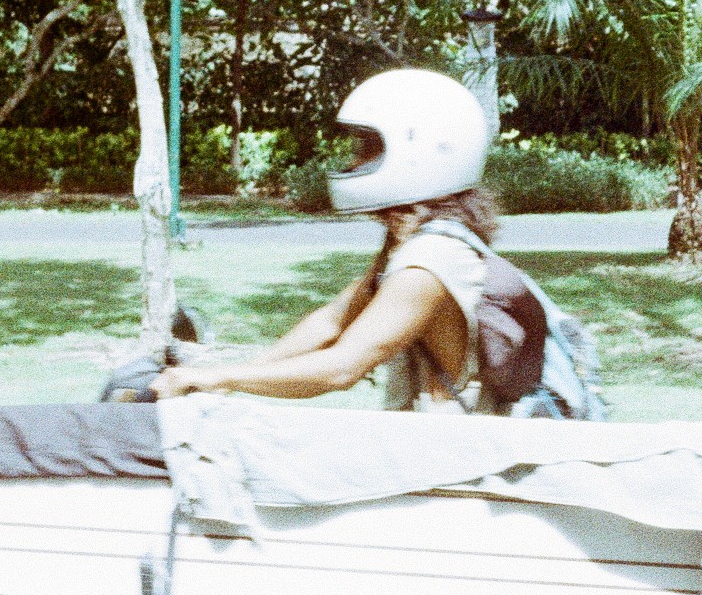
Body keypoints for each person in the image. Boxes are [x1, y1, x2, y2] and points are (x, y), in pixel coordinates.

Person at [152, 68, 498, 410]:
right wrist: (240, 375)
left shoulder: (431, 260)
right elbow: (331, 321)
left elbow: (342, 367)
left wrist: (218, 378)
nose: (354, 161)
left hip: (456, 446)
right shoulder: (413, 243)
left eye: (370, 150)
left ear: (419, 154)